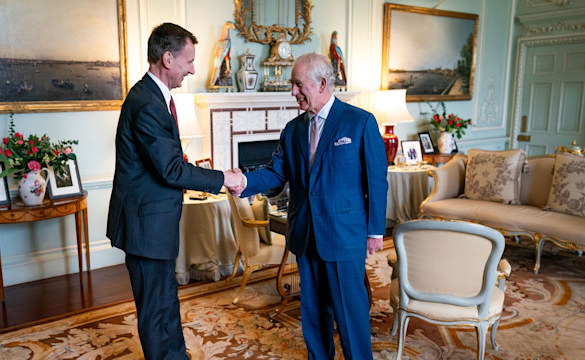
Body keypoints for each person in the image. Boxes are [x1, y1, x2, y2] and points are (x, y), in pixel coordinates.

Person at [228, 53, 387, 360]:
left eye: (298, 84)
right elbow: (276, 173)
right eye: (292, 84)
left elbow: (376, 181)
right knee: (313, 317)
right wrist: (245, 181)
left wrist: (375, 231)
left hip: (344, 236)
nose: (293, 92)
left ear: (322, 83)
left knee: (350, 318)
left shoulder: (360, 122)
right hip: (305, 235)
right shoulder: (293, 129)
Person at [106, 23, 243, 360]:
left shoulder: (154, 98)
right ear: (167, 58)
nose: (193, 69)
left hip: (155, 222)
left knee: (166, 299)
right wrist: (224, 177)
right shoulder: (147, 103)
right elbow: (170, 169)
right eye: (188, 61)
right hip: (145, 226)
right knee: (155, 308)